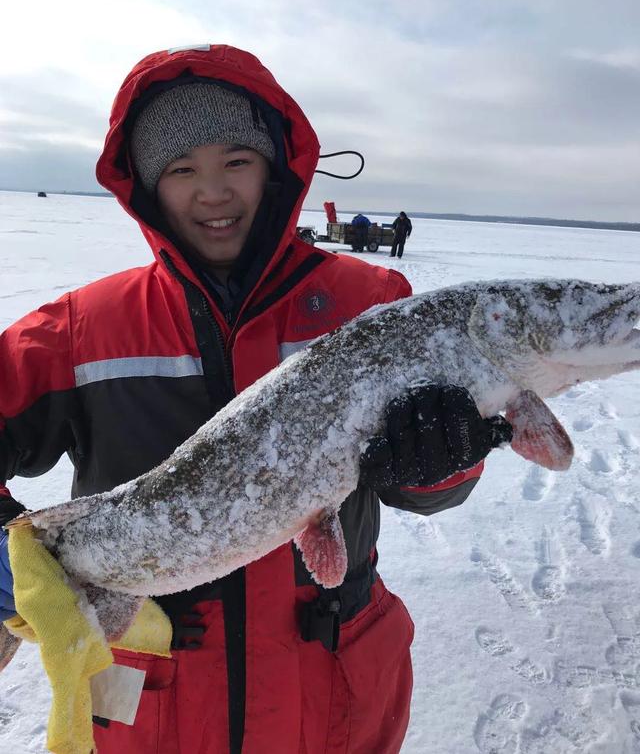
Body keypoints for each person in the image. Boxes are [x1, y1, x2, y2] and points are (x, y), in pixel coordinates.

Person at [0, 44, 511, 754]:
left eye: (235, 160)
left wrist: (444, 462)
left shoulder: (372, 305)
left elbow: (431, 494)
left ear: (276, 167)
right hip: (156, 712)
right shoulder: (86, 328)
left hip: (332, 703)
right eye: (182, 169)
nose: (213, 192)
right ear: (147, 188)